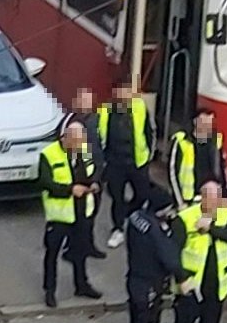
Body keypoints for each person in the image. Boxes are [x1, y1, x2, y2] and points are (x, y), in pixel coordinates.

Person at [120, 181, 180, 323]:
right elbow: (171, 260)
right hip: (149, 288)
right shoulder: (156, 231)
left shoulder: (136, 219)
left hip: (134, 280)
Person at [169, 181, 227, 323]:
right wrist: (181, 279)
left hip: (216, 284)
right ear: (203, 198)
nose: (216, 204)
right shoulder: (185, 219)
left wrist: (211, 229)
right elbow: (173, 253)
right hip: (192, 285)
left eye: (218, 199)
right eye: (212, 199)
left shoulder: (224, 215)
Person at [36, 122, 102, 307]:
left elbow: (94, 169)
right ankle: (50, 290)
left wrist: (95, 182)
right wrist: (70, 189)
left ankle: (82, 285)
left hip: (82, 210)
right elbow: (45, 183)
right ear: (66, 138)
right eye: (76, 142)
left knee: (80, 250)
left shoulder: (84, 149)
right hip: (60, 215)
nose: (80, 146)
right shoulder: (48, 154)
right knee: (52, 253)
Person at [96, 85, 153, 245]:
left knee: (143, 194)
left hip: (137, 162)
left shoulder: (140, 107)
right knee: (117, 198)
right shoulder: (105, 112)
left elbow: (149, 132)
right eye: (120, 92)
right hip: (115, 163)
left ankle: (130, 213)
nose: (124, 95)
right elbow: (99, 138)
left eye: (127, 91)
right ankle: (118, 229)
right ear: (114, 94)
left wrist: (149, 155)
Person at [60, 86, 105, 257]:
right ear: (77, 102)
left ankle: (88, 245)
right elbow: (68, 150)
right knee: (78, 218)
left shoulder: (95, 119)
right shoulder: (72, 122)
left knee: (91, 214)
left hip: (94, 175)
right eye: (84, 101)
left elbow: (96, 149)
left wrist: (96, 177)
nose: (87, 104)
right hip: (78, 178)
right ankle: (71, 249)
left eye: (89, 101)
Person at [168, 108, 227, 207]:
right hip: (189, 199)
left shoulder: (215, 141)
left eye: (210, 122)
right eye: (204, 122)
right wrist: (180, 202)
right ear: (195, 121)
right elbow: (172, 173)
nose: (207, 126)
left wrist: (225, 195)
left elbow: (223, 169)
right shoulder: (182, 141)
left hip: (211, 197)